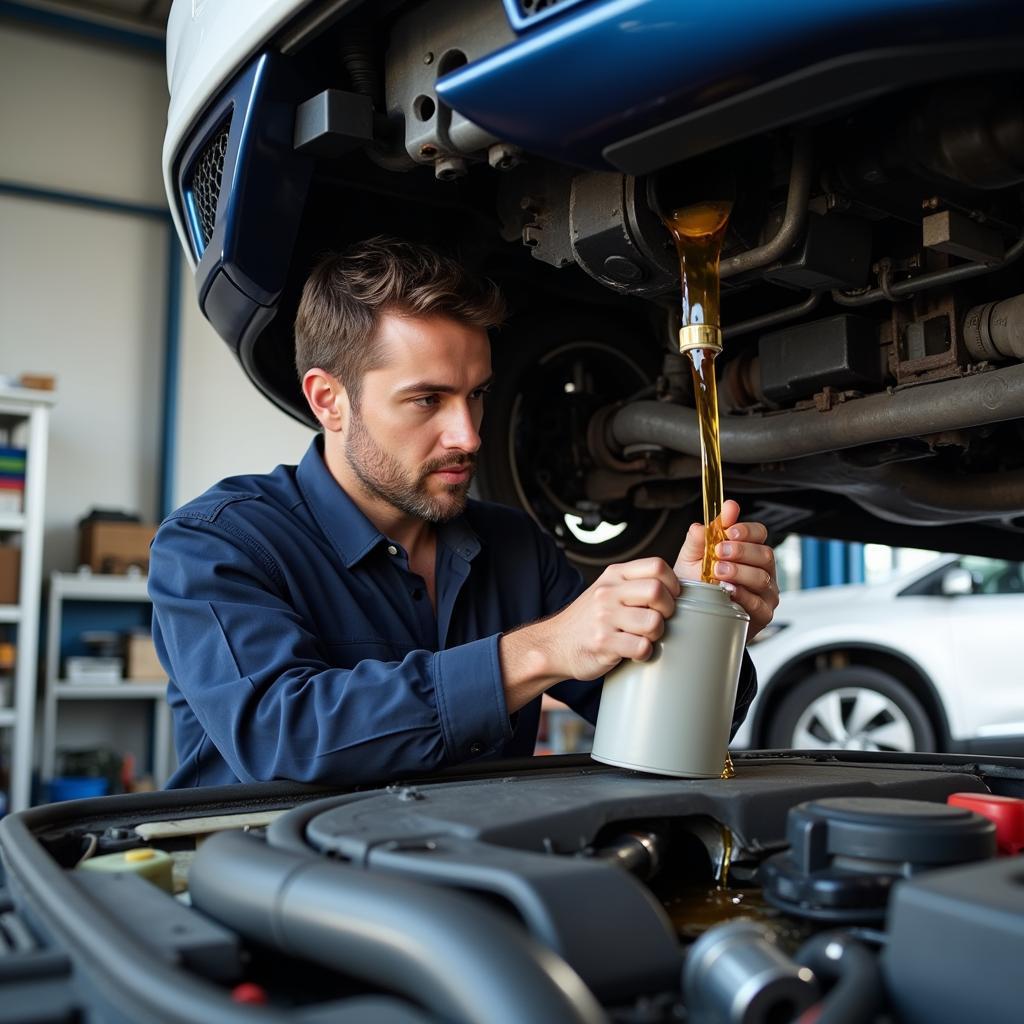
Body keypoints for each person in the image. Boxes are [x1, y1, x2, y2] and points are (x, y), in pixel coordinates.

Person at [149, 238, 780, 788]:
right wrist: (538, 651)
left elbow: (649, 717)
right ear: (328, 400)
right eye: (427, 399)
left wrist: (702, 623)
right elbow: (280, 738)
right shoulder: (215, 545)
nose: (469, 435)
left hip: (477, 889)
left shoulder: (514, 547)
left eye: (476, 395)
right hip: (271, 902)